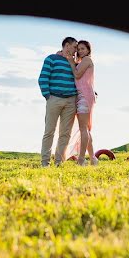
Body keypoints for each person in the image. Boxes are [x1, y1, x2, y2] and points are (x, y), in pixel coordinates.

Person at [38, 37, 78, 167]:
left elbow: (79, 79)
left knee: (65, 134)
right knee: (49, 131)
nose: (76, 50)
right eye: (74, 47)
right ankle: (45, 163)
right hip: (54, 99)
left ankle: (59, 163)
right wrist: (47, 95)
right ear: (67, 46)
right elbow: (43, 78)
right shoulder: (51, 59)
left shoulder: (75, 62)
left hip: (71, 101)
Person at [66, 40, 97, 166]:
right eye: (78, 49)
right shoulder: (81, 61)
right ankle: (93, 159)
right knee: (86, 130)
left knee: (83, 129)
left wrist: (71, 63)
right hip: (82, 96)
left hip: (84, 96)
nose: (79, 51)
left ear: (88, 50)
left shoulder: (87, 60)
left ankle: (81, 159)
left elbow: (78, 75)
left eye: (83, 49)